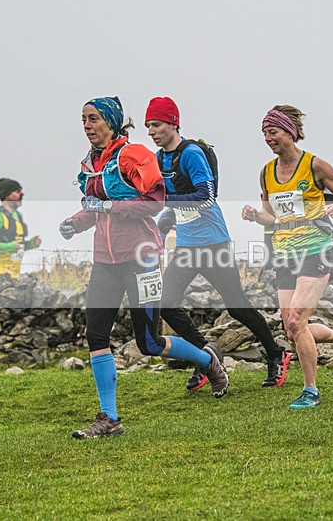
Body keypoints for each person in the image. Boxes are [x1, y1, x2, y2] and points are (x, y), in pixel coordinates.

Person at [60, 96, 229, 439]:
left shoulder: (134, 155)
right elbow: (96, 206)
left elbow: (153, 201)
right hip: (105, 261)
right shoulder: (91, 162)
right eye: (83, 120)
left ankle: (208, 361)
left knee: (149, 342)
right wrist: (76, 223)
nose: (87, 126)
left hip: (142, 256)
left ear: (111, 121)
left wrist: (107, 208)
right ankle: (109, 418)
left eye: (93, 119)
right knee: (95, 334)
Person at [145, 97, 290, 391]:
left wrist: (163, 200)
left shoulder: (192, 154)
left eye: (156, 125)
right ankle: (206, 356)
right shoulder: (160, 159)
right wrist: (159, 232)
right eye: (148, 126)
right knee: (167, 305)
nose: (151, 131)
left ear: (174, 123)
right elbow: (172, 206)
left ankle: (277, 354)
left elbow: (206, 196)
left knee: (236, 306)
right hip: (186, 246)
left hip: (214, 244)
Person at [242, 105, 333, 409]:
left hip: (317, 249)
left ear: (290, 132)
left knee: (297, 320)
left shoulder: (315, 165)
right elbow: (270, 217)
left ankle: (311, 390)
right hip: (285, 253)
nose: (268, 138)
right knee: (292, 327)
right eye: (264, 133)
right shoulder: (267, 173)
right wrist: (254, 215)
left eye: (273, 132)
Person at [0, 178, 41, 279]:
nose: (22, 194)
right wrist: (9, 247)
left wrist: (31, 244)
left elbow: (16, 246)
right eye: (17, 191)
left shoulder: (18, 216)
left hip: (15, 276)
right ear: (6, 195)